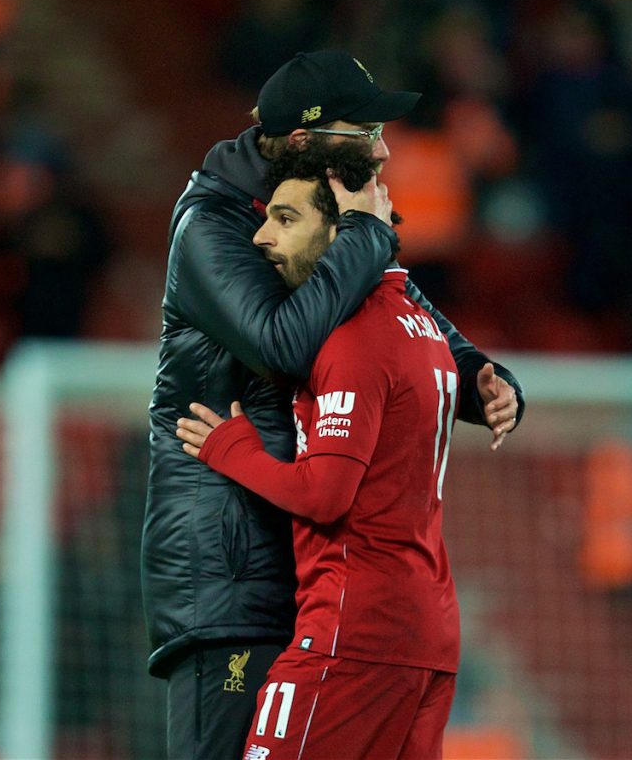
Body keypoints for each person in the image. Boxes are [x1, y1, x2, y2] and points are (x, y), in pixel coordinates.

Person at [144, 49, 524, 759]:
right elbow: (283, 344)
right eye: (362, 132)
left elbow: (405, 314)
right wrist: (368, 233)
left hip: (315, 573)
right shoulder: (215, 226)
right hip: (233, 578)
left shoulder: (331, 225)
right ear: (301, 142)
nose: (382, 148)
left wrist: (481, 379)